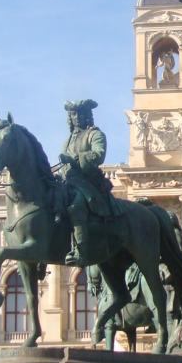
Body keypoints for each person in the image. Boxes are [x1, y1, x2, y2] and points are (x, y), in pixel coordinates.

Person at [59, 99, 116, 266]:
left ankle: (81, 251)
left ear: (87, 115)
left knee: (76, 206)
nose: (76, 117)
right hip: (68, 182)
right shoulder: (68, 140)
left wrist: (76, 159)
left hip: (88, 183)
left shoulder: (95, 134)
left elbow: (99, 155)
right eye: (73, 114)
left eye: (80, 113)